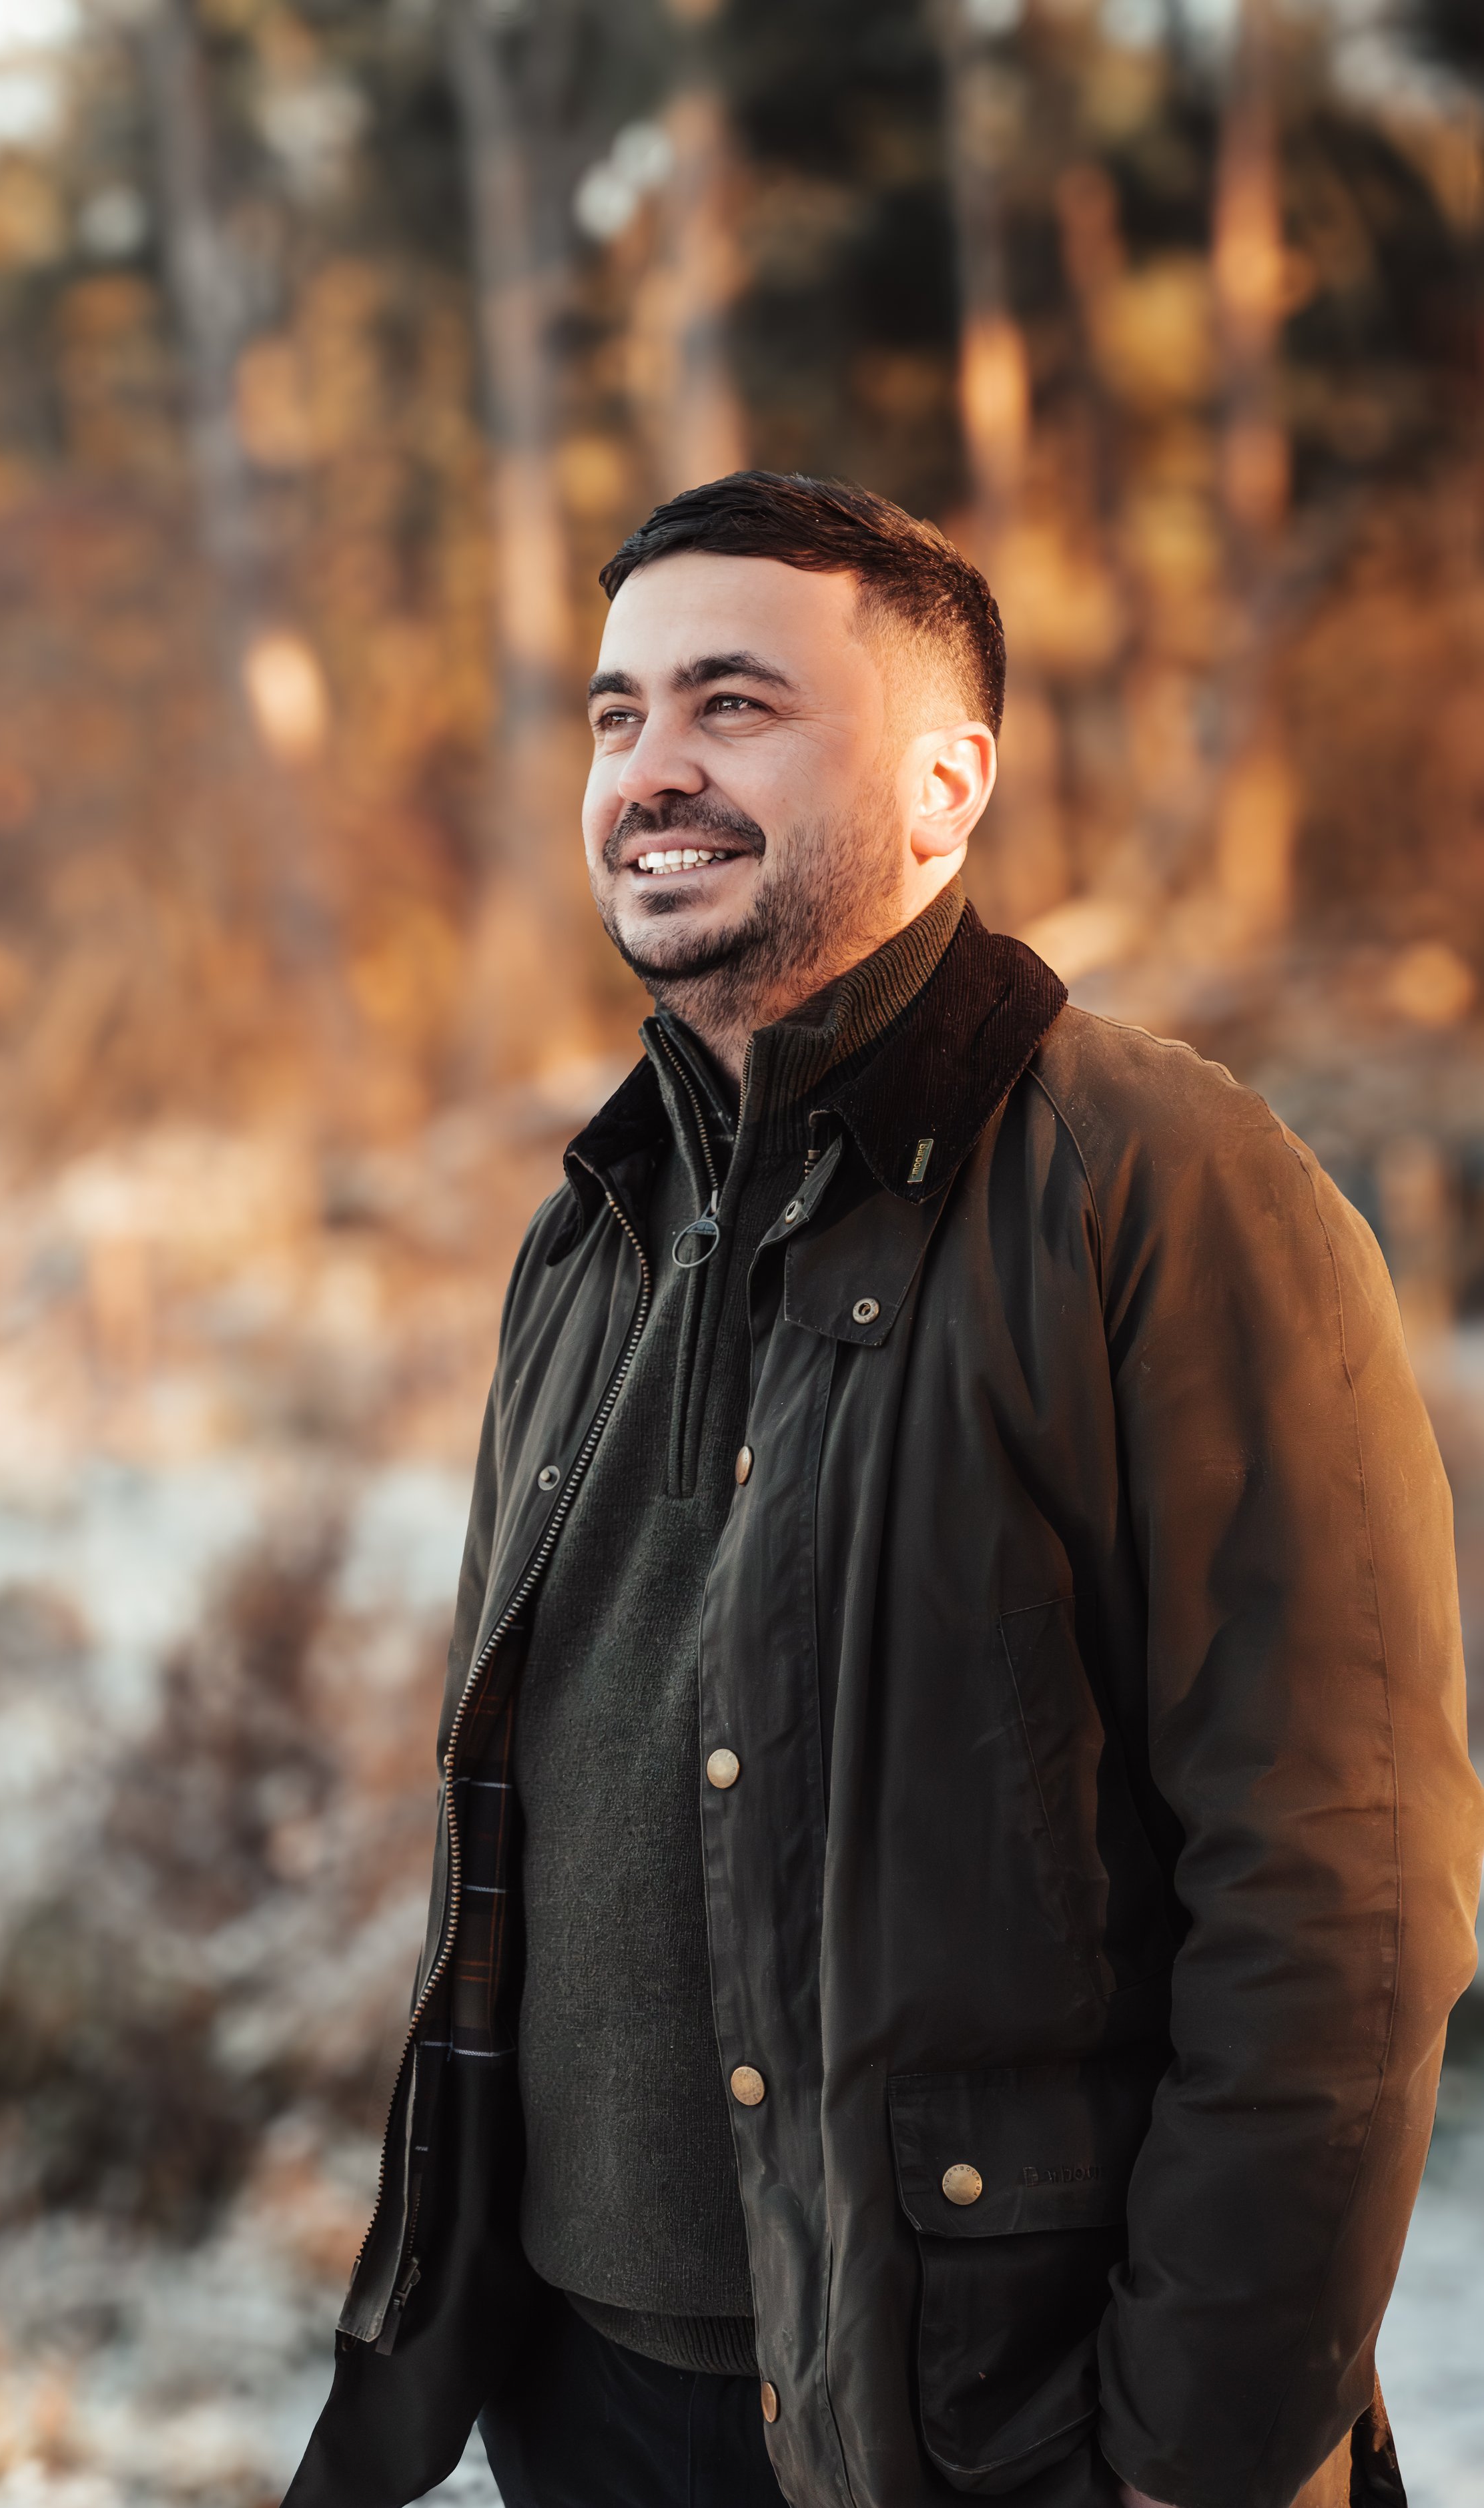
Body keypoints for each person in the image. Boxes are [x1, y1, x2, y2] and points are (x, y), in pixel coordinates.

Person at [284, 473, 1483, 2508]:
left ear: (946, 788)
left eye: (734, 703)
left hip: (995, 2429)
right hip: (583, 2406)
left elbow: (1339, 1902)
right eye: (615, 713)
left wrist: (1181, 2461)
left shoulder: (1161, 1188)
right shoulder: (591, 1222)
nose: (651, 769)